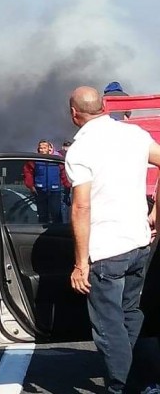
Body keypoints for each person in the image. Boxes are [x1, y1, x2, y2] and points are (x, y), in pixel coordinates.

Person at [65, 86, 160, 394]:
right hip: (139, 243)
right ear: (104, 106)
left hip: (106, 251)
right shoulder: (133, 134)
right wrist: (157, 210)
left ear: (74, 113)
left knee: (108, 325)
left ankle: (122, 387)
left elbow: (81, 205)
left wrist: (81, 263)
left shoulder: (80, 149)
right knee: (131, 313)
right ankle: (140, 380)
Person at [23, 139, 69, 223]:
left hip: (55, 190)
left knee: (56, 213)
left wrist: (68, 186)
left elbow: (64, 174)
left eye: (45, 148)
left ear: (49, 148)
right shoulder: (34, 160)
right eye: (41, 148)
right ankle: (43, 233)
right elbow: (28, 172)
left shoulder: (57, 159)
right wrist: (31, 185)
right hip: (40, 190)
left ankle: (57, 232)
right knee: (42, 214)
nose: (42, 150)